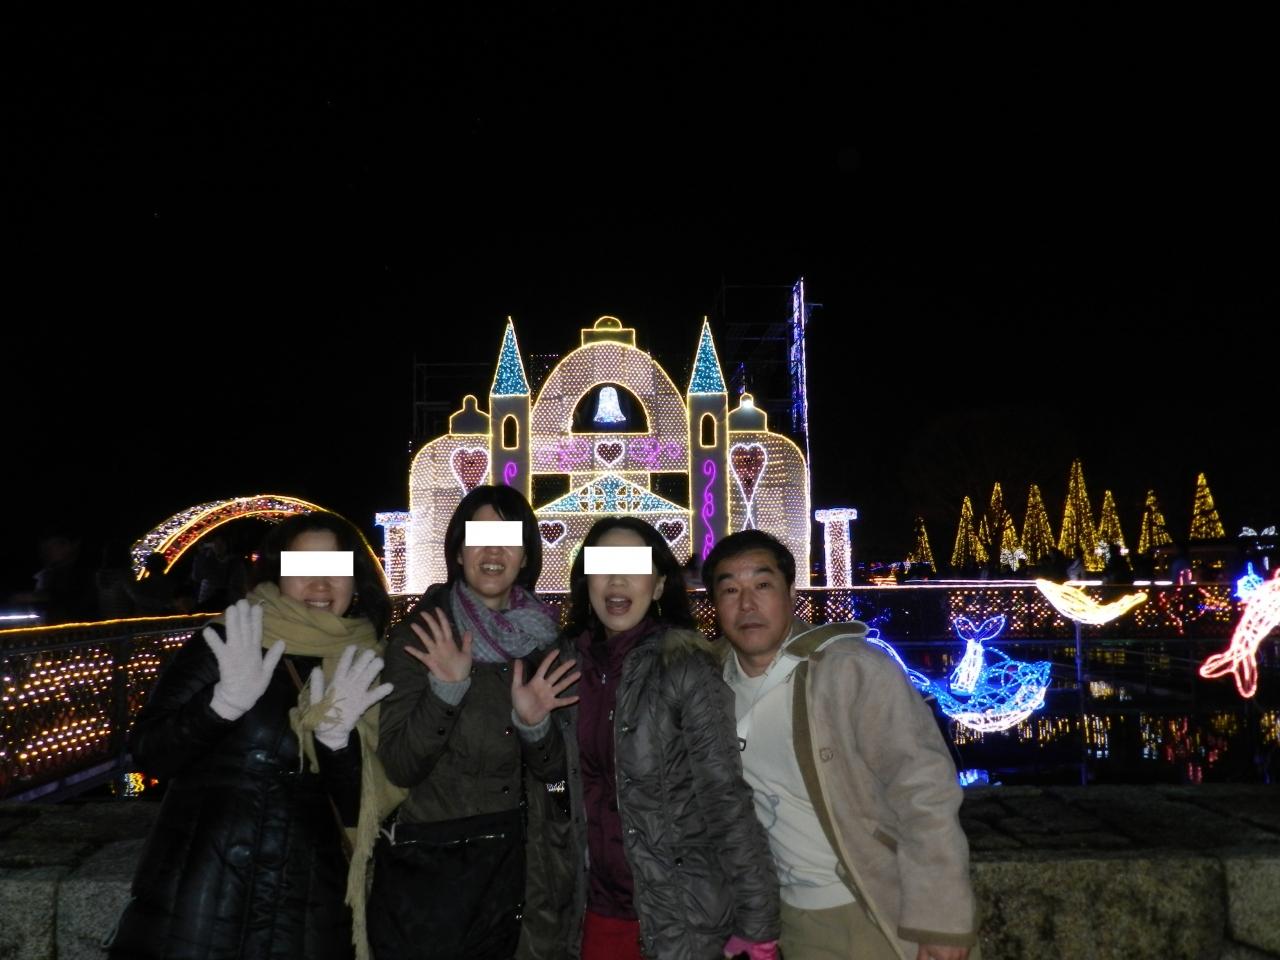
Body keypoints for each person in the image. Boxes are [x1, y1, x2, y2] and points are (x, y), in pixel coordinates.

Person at [109, 511, 398, 960]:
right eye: (302, 567)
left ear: (356, 580)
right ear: (277, 574)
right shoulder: (232, 639)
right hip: (201, 899)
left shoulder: (368, 661)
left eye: (335, 568)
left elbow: (364, 808)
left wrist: (337, 743)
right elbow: (150, 753)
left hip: (309, 912)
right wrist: (220, 706)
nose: (320, 583)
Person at [515, 516, 780, 960]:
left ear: (658, 586)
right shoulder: (561, 667)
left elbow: (723, 796)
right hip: (589, 910)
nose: (617, 579)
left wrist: (758, 923)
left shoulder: (685, 666)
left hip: (678, 914)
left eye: (634, 566)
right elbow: (556, 787)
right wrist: (533, 728)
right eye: (603, 565)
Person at [704, 529, 978, 960]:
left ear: (791, 593)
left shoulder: (851, 671)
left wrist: (942, 921)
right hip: (793, 923)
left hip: (882, 906)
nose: (747, 605)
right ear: (715, 604)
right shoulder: (705, 684)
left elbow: (925, 791)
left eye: (763, 585)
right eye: (730, 590)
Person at [372, 485, 570, 960]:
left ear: (526, 556)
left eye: (508, 539)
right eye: (479, 538)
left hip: (521, 867)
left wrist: (536, 730)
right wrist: (444, 693)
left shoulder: (546, 643)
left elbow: (559, 779)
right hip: (435, 869)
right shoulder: (423, 636)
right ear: (459, 551)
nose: (493, 551)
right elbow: (400, 766)